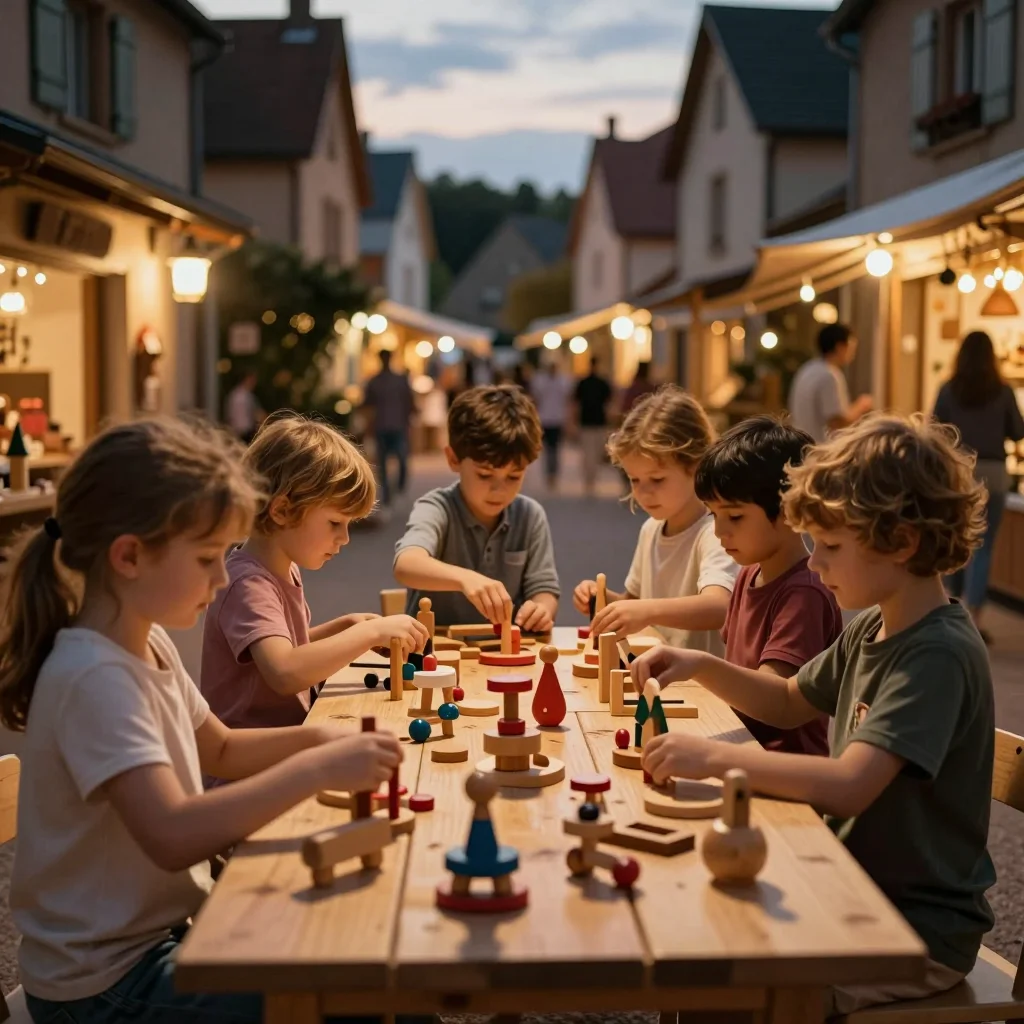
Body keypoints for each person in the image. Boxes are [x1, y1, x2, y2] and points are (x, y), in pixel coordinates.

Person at [0, 417, 418, 1023]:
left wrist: (323, 737)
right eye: (205, 558)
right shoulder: (95, 677)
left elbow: (219, 749)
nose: (223, 577)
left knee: (363, 952)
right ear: (130, 557)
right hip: (105, 985)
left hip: (149, 943)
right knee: (355, 990)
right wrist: (315, 766)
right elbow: (172, 836)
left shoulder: (147, 642)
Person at [636, 413, 994, 1017]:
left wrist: (716, 758)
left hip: (914, 929)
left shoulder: (936, 654)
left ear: (901, 542)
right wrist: (697, 666)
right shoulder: (876, 627)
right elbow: (785, 700)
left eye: (830, 546)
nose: (816, 562)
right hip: (853, 884)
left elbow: (852, 786)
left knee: (731, 980)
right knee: (700, 928)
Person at [201, 412, 427, 744]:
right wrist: (370, 632)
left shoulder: (280, 566)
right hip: (250, 771)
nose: (345, 538)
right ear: (281, 510)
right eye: (335, 523)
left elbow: (284, 645)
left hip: (284, 748)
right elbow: (284, 670)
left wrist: (346, 626)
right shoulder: (248, 584)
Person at [692, 415, 842, 755]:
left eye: (735, 516)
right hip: (739, 748)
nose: (718, 532)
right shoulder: (748, 573)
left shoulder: (804, 592)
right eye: (713, 515)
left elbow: (776, 697)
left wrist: (698, 665)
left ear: (789, 509)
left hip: (783, 772)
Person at [575, 386, 738, 654]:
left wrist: (646, 611)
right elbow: (635, 602)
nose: (643, 492)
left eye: (657, 479)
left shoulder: (714, 531)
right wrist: (602, 600)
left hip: (701, 688)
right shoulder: (651, 528)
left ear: (697, 466)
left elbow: (720, 606)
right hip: (658, 681)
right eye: (634, 479)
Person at [394, 384, 560, 631]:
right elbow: (406, 564)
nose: (499, 490)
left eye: (514, 477)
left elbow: (544, 588)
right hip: (437, 655)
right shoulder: (437, 507)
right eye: (484, 475)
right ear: (453, 459)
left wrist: (541, 609)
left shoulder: (529, 515)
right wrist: (464, 578)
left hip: (505, 652)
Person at [934, 330, 1024, 642]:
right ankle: (973, 618)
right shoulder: (1003, 391)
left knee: (956, 537)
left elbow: (935, 432)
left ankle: (951, 608)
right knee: (983, 546)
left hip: (957, 471)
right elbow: (1017, 431)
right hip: (994, 472)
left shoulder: (948, 390)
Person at [788, 323, 873, 443]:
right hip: (819, 449)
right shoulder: (829, 375)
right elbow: (837, 422)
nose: (853, 351)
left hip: (801, 443)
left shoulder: (807, 368)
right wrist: (861, 406)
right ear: (840, 347)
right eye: (851, 345)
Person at [362, 349, 414, 506]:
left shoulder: (400, 380)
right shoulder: (374, 381)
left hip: (398, 425)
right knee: (383, 461)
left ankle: (399, 486)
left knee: (402, 457)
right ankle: (387, 492)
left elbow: (409, 401)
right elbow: (367, 404)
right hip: (381, 426)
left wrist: (409, 421)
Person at [530, 359, 574, 488]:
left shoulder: (563, 382)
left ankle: (553, 473)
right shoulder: (541, 381)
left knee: (555, 449)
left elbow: (567, 401)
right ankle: (549, 473)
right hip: (545, 419)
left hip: (557, 419)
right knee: (548, 449)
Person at [574, 356, 613, 493]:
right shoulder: (601, 383)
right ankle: (591, 478)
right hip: (597, 421)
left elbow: (575, 404)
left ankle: (590, 478)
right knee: (593, 452)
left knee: (590, 453)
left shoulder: (584, 382)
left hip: (588, 421)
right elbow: (609, 403)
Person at [225, 371, 263, 444]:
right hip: (245, 432)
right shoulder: (247, 396)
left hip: (236, 430)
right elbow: (257, 414)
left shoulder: (234, 394)